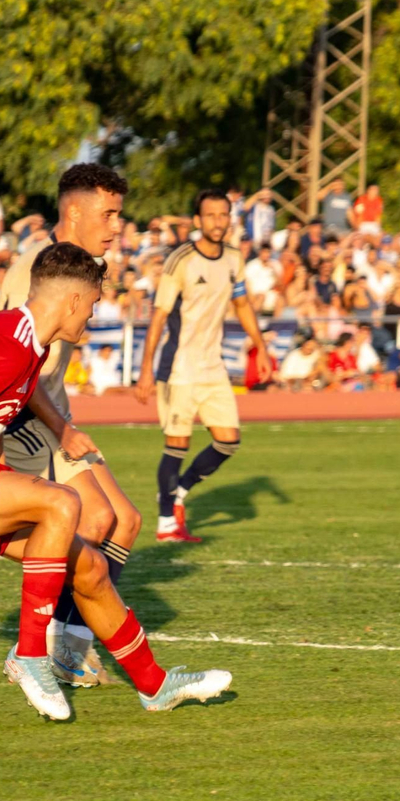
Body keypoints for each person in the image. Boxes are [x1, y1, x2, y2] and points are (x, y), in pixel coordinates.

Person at [0, 243, 231, 721]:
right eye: (93, 303)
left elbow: (17, 388)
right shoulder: (6, 343)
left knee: (90, 568)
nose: (92, 315)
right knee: (63, 502)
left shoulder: (26, 342)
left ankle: (156, 687)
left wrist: (60, 428)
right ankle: (31, 657)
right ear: (73, 300)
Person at [0, 163, 144, 683]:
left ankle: (72, 644)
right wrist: (61, 428)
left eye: (119, 215)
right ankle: (41, 647)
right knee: (94, 520)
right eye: (109, 214)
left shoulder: (82, 264)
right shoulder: (33, 269)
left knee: (125, 521)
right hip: (25, 417)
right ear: (74, 212)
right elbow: (15, 363)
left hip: (54, 414)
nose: (117, 225)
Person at [135, 188, 275, 541]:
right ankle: (166, 522)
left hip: (213, 367)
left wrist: (261, 347)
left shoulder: (233, 258)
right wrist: (146, 369)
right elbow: (159, 316)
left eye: (223, 215)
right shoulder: (180, 260)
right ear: (198, 221)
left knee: (228, 441)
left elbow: (241, 304)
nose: (217, 221)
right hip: (179, 368)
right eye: (210, 215)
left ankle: (178, 492)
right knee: (177, 444)